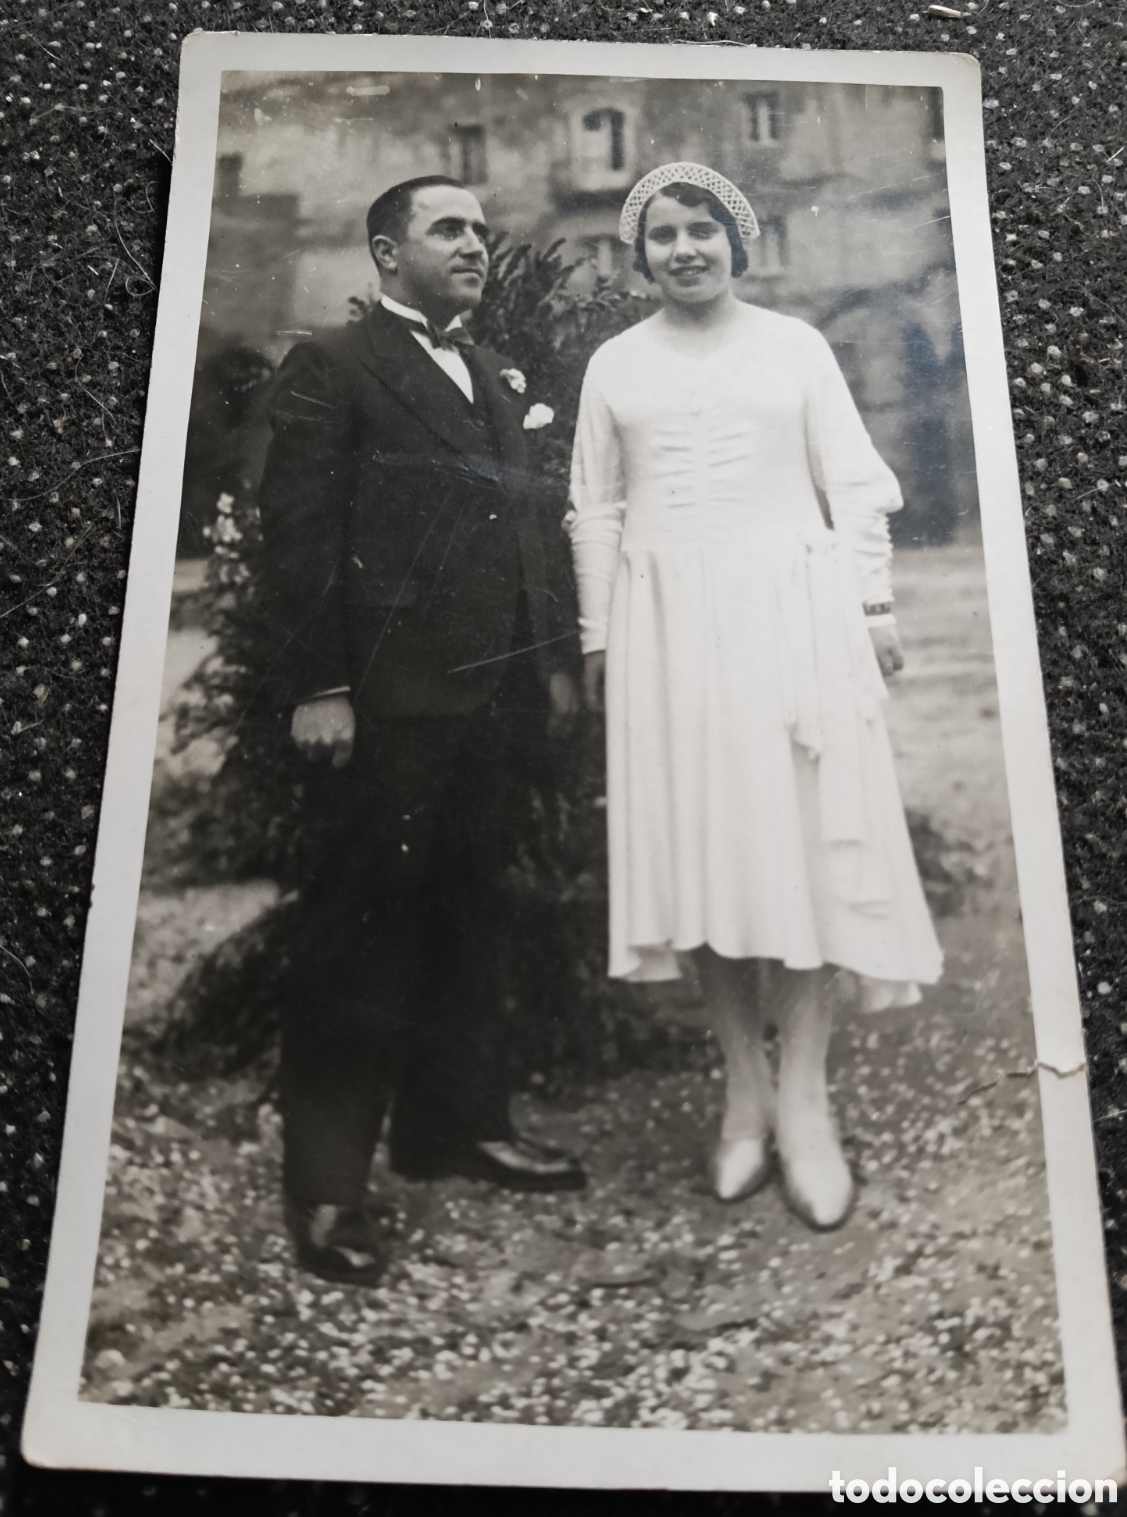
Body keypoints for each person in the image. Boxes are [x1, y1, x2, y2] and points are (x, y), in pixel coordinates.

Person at [566, 163, 943, 1231]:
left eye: (705, 229)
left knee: (807, 847)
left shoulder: (797, 347)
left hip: (794, 615)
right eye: (665, 235)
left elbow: (859, 485)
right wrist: (601, 638)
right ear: (641, 257)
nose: (686, 248)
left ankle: (807, 1102)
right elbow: (592, 510)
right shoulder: (614, 367)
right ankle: (742, 1088)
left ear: (740, 238)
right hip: (666, 632)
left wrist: (872, 610)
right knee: (703, 852)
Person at [260, 175, 585, 1285]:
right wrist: (317, 685)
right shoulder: (336, 367)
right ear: (384, 254)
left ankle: (457, 1125)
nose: (475, 246)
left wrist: (546, 676)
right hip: (385, 706)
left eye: (484, 232)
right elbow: (297, 539)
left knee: (474, 911)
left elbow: (527, 539)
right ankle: (330, 1191)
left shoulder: (494, 374)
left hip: (486, 705)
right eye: (449, 228)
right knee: (359, 935)